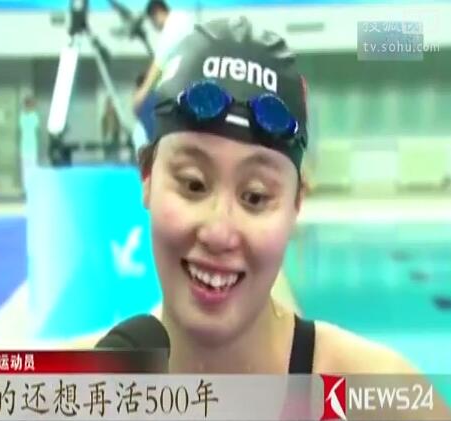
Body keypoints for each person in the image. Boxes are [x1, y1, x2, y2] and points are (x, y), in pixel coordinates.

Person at [132, 18, 451, 409]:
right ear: (147, 177)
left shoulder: (382, 399)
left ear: (296, 204)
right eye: (194, 184)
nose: (219, 232)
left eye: (255, 196)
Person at [132, 0, 195, 114]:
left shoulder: (172, 25)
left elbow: (159, 62)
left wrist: (142, 93)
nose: (154, 27)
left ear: (157, 13)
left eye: (152, 21)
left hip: (179, 89)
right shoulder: (184, 19)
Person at [18, 96, 40, 190]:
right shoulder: (26, 116)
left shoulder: (32, 116)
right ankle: (27, 188)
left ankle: (31, 187)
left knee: (30, 168)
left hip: (31, 146)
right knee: (26, 169)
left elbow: (36, 129)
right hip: (25, 146)